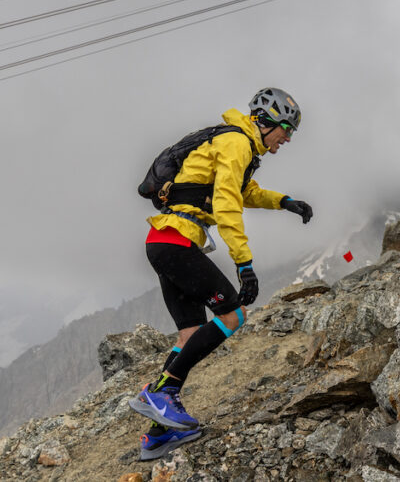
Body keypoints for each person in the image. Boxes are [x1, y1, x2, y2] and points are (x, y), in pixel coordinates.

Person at [128, 87, 313, 460]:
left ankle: (158, 434)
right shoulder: (237, 143)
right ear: (268, 122)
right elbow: (228, 203)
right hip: (177, 243)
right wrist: (244, 264)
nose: (287, 140)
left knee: (191, 333)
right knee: (232, 315)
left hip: (163, 241)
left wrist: (285, 202)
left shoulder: (235, 145)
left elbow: (245, 191)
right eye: (286, 131)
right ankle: (162, 394)